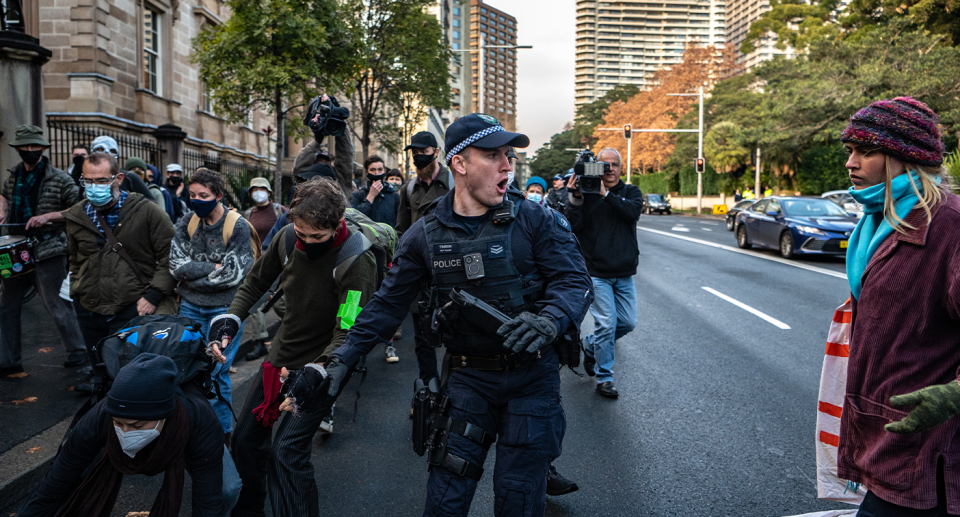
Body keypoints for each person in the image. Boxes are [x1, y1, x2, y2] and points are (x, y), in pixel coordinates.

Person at [298, 113, 594, 516]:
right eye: (492, 155)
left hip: (532, 381)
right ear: (459, 163)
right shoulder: (424, 234)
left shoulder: (533, 219)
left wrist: (552, 318)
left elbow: (575, 281)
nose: (507, 165)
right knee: (445, 501)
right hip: (468, 381)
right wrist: (340, 362)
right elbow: (386, 305)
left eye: (508, 155)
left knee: (519, 499)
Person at [206, 177, 377, 517]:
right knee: (243, 442)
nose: (308, 242)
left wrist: (318, 371)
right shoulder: (286, 238)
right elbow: (255, 282)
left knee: (287, 452)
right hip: (281, 357)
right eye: (302, 234)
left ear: (337, 224)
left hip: (324, 363)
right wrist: (232, 317)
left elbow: (349, 329)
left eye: (318, 237)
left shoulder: (356, 259)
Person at [833, 97, 960, 516]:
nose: (851, 162)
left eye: (866, 151)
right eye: (849, 150)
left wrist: (956, 393)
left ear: (907, 159)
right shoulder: (874, 224)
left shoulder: (949, 226)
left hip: (934, 454)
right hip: (881, 441)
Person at [18, 354, 237, 517]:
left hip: (186, 434)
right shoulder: (100, 418)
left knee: (227, 489)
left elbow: (206, 501)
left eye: (137, 425)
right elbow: (53, 485)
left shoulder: (200, 421)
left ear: (164, 417)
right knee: (78, 476)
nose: (125, 433)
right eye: (119, 424)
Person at [63, 152, 177, 392]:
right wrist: (77, 293)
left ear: (119, 178)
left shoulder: (147, 211)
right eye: (88, 181)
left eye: (102, 180)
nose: (94, 187)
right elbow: (74, 259)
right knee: (100, 375)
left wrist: (154, 295)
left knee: (126, 375)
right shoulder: (77, 215)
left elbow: (171, 255)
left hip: (132, 306)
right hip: (89, 308)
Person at [169, 168, 256, 441]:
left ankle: (221, 435)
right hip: (190, 307)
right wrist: (211, 268)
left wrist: (194, 275)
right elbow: (175, 266)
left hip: (225, 310)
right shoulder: (187, 222)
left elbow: (232, 275)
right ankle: (192, 427)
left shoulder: (237, 226)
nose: (196, 200)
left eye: (203, 195)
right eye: (192, 194)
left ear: (218, 196)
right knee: (185, 370)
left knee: (217, 373)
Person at [0, 125, 86, 377]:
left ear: (42, 148)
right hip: (15, 250)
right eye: (24, 147)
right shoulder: (13, 177)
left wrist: (47, 216)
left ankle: (78, 351)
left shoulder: (59, 178)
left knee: (57, 304)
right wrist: (2, 206)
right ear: (17, 149)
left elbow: (79, 208)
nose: (29, 150)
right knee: (7, 306)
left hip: (48, 248)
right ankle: (8, 360)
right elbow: (4, 196)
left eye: (34, 146)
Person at [565, 147, 643, 399]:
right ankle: (605, 377)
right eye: (604, 165)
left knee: (628, 322)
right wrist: (575, 197)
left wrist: (605, 194)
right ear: (595, 167)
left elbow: (631, 213)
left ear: (621, 168)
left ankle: (589, 344)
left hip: (624, 272)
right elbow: (572, 226)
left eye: (614, 165)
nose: (609, 169)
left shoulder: (631, 192)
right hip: (596, 272)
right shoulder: (587, 194)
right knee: (607, 324)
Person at [396, 130, 454, 383]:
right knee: (423, 339)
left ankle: (454, 392)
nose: (419, 157)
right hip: (419, 276)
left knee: (455, 337)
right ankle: (429, 389)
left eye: (424, 152)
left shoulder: (454, 183)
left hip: (452, 272)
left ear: (436, 152)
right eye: (415, 153)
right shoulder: (408, 189)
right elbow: (401, 230)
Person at [241, 177, 287, 362]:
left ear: (268, 192)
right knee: (256, 304)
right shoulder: (248, 213)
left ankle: (291, 327)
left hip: (277, 264)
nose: (258, 192)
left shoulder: (279, 210)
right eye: (254, 189)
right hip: (256, 264)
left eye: (261, 189)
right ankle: (259, 341)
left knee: (280, 302)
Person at [90, 135, 154, 200]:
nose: (107, 154)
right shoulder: (87, 179)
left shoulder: (130, 178)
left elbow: (151, 206)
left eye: (112, 151)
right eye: (100, 150)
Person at [352, 155, 401, 229]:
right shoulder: (358, 195)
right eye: (372, 170)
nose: (376, 173)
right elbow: (356, 219)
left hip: (388, 238)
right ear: (366, 171)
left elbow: (400, 223)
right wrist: (370, 196)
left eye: (380, 169)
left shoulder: (394, 195)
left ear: (384, 171)